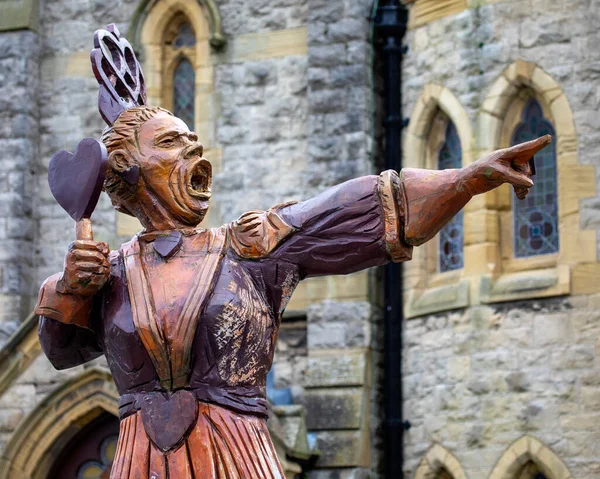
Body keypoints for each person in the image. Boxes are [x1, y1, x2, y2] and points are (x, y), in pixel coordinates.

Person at [35, 104, 549, 478]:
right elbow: (60, 351)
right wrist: (73, 288)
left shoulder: (251, 247)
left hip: (236, 457)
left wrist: (467, 179)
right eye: (170, 141)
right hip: (137, 463)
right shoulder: (108, 273)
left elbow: (365, 210)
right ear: (126, 171)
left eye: (192, 136)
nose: (192, 147)